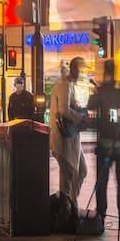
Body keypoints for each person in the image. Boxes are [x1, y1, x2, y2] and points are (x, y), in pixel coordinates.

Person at [86, 70, 120, 231]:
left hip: (104, 145)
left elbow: (90, 106)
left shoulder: (100, 92)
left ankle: (100, 217)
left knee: (102, 183)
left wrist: (96, 92)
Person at [49, 58, 87, 201]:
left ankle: (71, 204)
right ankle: (67, 210)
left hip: (71, 137)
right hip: (65, 138)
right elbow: (64, 110)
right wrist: (80, 118)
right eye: (81, 70)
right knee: (68, 175)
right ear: (74, 69)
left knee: (81, 170)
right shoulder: (64, 84)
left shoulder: (68, 84)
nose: (82, 74)